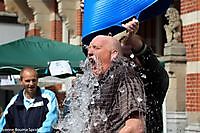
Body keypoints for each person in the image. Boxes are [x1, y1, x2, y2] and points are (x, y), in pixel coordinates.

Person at [117, 18, 169, 133]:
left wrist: (130, 37)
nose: (127, 62)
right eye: (122, 57)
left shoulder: (154, 81)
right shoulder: (113, 82)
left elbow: (147, 57)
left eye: (131, 55)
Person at [87, 35, 146, 133]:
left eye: (96, 48)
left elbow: (135, 128)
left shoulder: (125, 74)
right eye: (89, 48)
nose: (89, 52)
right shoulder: (98, 83)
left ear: (114, 54)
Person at [0, 67, 59, 133]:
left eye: (34, 80)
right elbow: (3, 125)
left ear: (37, 80)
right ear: (21, 81)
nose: (31, 84)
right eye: (27, 81)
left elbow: (51, 121)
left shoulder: (49, 96)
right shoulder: (15, 101)